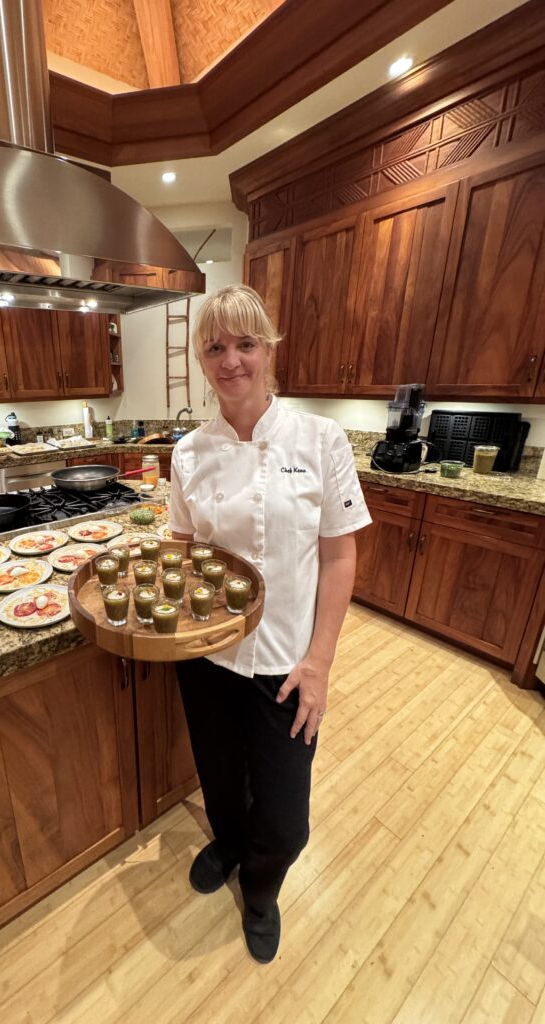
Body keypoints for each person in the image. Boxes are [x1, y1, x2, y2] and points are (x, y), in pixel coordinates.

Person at [168, 284, 371, 964]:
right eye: (216, 347)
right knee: (220, 782)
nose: (231, 361)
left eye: (245, 344)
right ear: (202, 358)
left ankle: (261, 885)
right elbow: (183, 546)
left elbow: (340, 553)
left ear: (269, 350)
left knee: (286, 823)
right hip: (206, 660)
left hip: (286, 665)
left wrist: (319, 664)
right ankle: (227, 842)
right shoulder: (189, 453)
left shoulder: (320, 439)